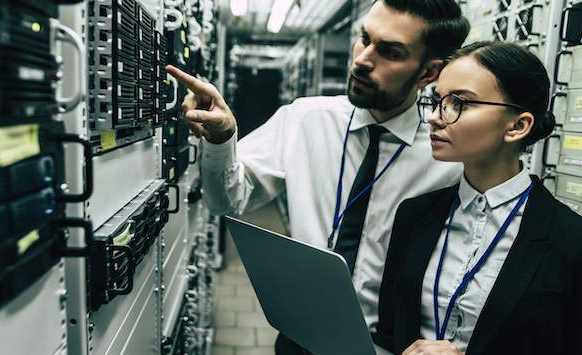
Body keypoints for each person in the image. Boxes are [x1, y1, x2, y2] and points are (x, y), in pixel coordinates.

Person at [165, 0, 469, 353]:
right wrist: (221, 140)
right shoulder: (305, 120)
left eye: (389, 52)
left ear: (428, 74)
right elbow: (225, 201)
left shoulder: (448, 156)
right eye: (364, 39)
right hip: (299, 340)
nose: (362, 59)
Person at [373, 41, 582, 355]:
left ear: (517, 126)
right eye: (436, 102)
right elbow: (387, 334)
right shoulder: (414, 215)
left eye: (458, 102)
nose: (436, 117)